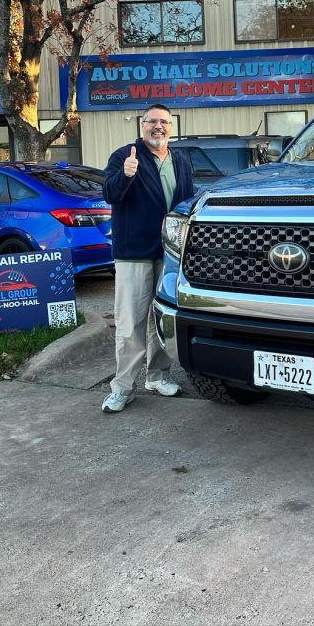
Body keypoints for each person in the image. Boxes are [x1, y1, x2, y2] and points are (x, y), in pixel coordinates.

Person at [101, 103, 194, 413]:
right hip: (134, 254)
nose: (159, 126)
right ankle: (123, 388)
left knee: (161, 321)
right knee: (130, 323)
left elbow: (185, 204)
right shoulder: (125, 156)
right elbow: (110, 194)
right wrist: (126, 176)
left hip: (169, 254)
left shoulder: (180, 161)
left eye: (164, 122)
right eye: (152, 121)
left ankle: (157, 377)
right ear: (142, 126)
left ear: (171, 126)